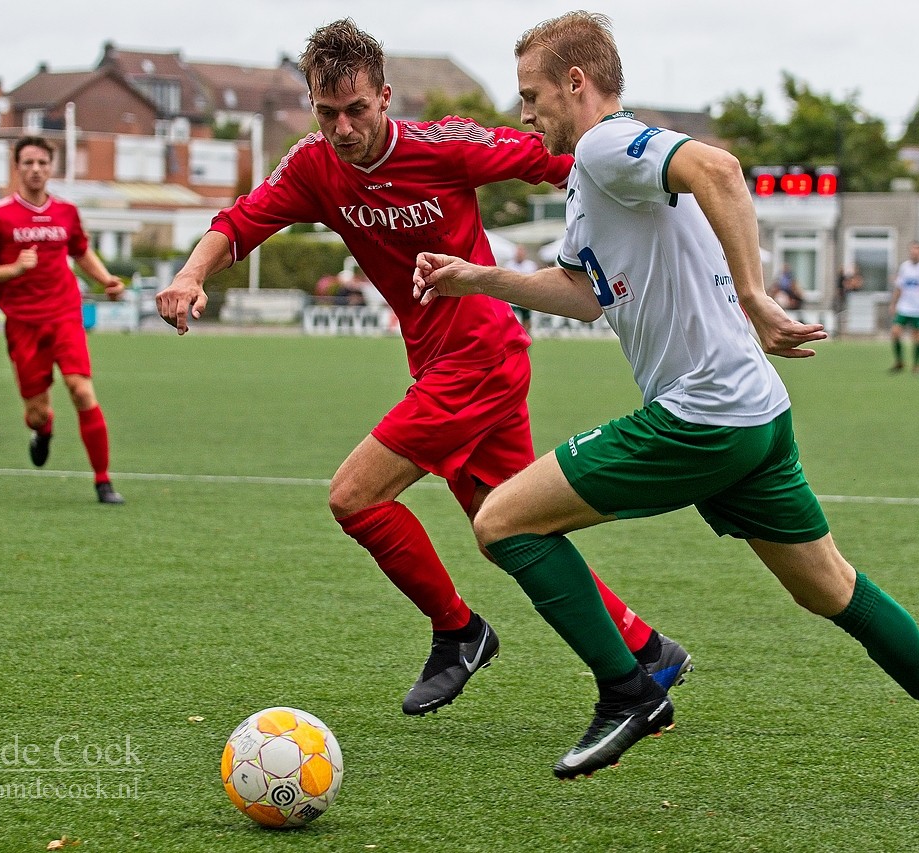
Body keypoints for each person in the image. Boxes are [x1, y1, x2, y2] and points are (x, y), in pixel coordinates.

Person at [412, 9, 919, 789]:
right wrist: (476, 276)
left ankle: (630, 688)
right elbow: (587, 294)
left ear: (576, 83)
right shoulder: (594, 174)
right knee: (829, 585)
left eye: (532, 94)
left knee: (501, 521)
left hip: (702, 415)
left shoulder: (603, 143)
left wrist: (757, 297)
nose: (524, 113)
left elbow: (721, 170)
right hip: (755, 414)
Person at [155, 18, 690, 718]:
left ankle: (459, 631)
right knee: (511, 530)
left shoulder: (446, 145)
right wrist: (191, 273)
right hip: (446, 361)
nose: (343, 128)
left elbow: (563, 154)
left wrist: (667, 191)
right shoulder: (315, 166)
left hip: (480, 355)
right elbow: (242, 220)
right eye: (327, 113)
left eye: (355, 110)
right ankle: (644, 648)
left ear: (384, 96)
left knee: (354, 496)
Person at [0, 136, 127, 505]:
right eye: (28, 163)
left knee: (81, 390)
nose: (36, 169)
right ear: (17, 167)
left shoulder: (67, 212)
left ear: (50, 167)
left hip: (64, 314)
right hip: (22, 323)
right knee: (37, 413)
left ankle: (103, 482)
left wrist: (106, 280)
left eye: (42, 163)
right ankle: (44, 429)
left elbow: (81, 252)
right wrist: (13, 268)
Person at [888, 241, 919, 373]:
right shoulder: (905, 267)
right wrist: (893, 303)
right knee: (895, 332)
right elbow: (899, 287)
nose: (914, 252)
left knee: (917, 337)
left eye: (917, 250)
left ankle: (916, 365)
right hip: (904, 306)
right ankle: (899, 362)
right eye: (912, 250)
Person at [504, 245, 538, 333]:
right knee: (512, 319)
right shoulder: (509, 265)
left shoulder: (530, 265)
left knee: (526, 320)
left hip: (526, 297)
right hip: (512, 298)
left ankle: (526, 337)